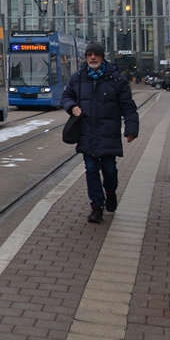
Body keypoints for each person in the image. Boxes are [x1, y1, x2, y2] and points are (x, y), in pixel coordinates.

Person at [62, 41, 139, 224]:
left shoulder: (117, 79)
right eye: (89, 55)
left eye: (96, 54)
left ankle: (110, 192)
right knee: (91, 170)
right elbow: (66, 96)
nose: (92, 58)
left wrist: (131, 129)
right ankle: (96, 206)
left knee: (109, 170)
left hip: (108, 134)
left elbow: (128, 107)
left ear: (102, 57)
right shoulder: (78, 77)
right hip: (86, 133)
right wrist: (71, 106)